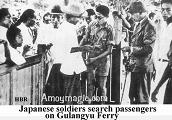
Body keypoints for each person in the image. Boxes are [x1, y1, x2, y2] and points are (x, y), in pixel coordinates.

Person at [122, 1, 156, 104]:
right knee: (133, 96)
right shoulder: (138, 24)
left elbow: (148, 49)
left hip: (143, 67)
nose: (131, 16)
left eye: (133, 13)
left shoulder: (149, 26)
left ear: (141, 12)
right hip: (136, 66)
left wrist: (131, 49)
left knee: (142, 99)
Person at [80, 5, 113, 104]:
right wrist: (78, 48)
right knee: (90, 85)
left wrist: (95, 58)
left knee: (102, 86)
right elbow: (85, 39)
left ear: (106, 17)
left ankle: (101, 108)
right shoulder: (92, 25)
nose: (97, 19)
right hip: (90, 60)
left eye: (100, 17)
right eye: (96, 17)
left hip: (102, 61)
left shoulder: (110, 29)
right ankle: (89, 105)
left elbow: (109, 50)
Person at [151, 0, 172, 104]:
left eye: (168, 10)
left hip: (168, 67)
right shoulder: (162, 25)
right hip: (159, 65)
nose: (164, 12)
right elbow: (158, 45)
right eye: (162, 9)